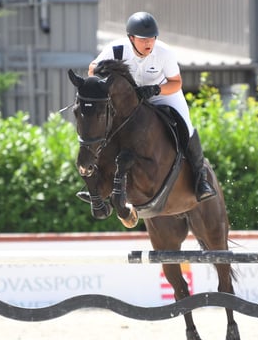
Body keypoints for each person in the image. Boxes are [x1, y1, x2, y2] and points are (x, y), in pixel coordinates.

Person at [83, 11, 216, 202]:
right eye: (143, 39)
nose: (149, 43)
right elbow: (92, 69)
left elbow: (176, 83)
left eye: (152, 38)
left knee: (186, 125)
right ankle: (99, 181)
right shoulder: (117, 50)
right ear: (131, 38)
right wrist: (102, 75)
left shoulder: (164, 53)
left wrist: (155, 90)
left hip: (162, 94)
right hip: (130, 100)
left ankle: (200, 178)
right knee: (104, 126)